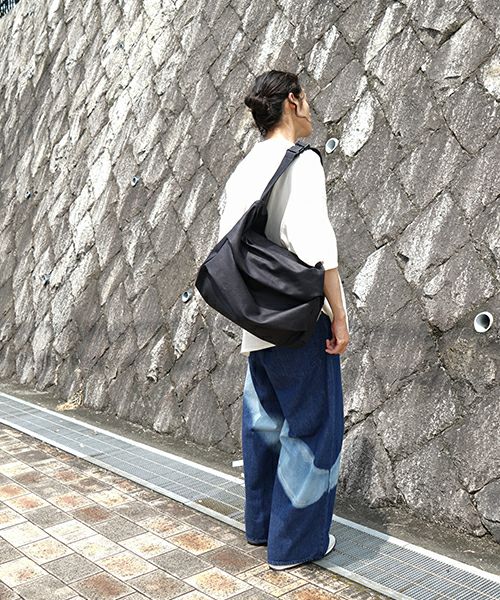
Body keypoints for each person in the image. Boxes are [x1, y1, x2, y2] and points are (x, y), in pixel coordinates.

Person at [216, 70, 350, 570]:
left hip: (257, 322)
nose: (310, 108)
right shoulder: (301, 161)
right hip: (299, 321)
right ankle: (296, 545)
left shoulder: (244, 168)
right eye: (306, 98)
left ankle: (262, 527)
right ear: (292, 102)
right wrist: (339, 317)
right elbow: (318, 248)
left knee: (265, 427)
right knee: (314, 429)